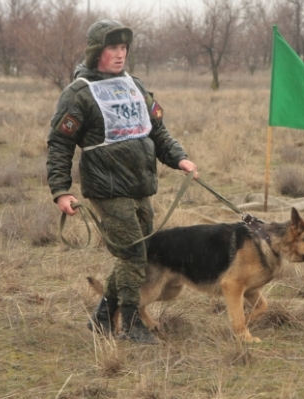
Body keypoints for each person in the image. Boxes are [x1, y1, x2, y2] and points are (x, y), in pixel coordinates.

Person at [46, 19, 198, 344]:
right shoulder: (79, 94)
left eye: (124, 48)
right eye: (113, 48)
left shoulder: (135, 86)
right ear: (96, 51)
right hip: (106, 189)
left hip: (140, 187)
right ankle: (129, 327)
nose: (120, 54)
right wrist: (61, 190)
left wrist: (179, 157)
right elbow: (60, 143)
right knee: (133, 256)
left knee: (141, 252)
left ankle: (102, 317)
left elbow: (157, 131)